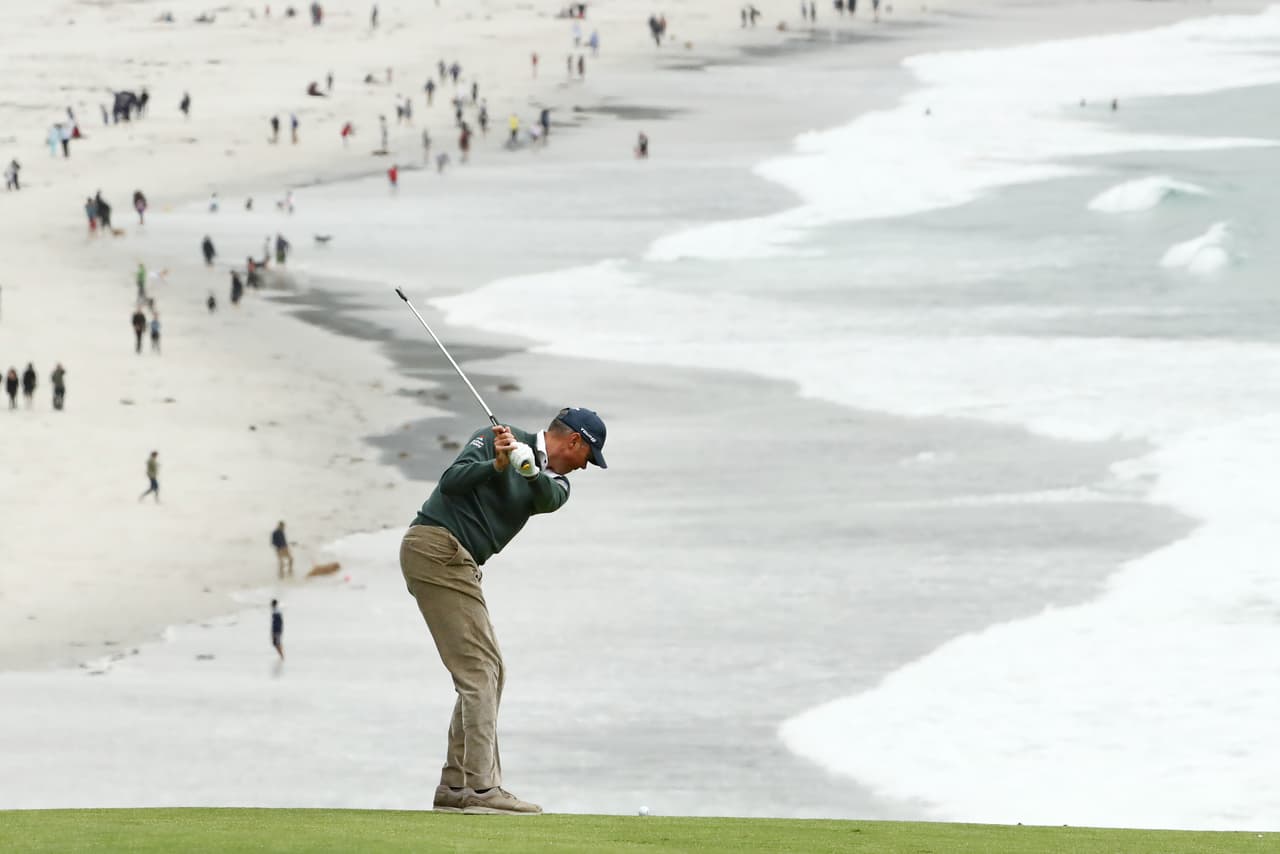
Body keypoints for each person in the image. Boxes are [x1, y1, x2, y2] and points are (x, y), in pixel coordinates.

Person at [400, 407, 608, 815]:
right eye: (589, 455)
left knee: (491, 671)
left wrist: (526, 469)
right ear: (574, 441)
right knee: (479, 672)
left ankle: (457, 785)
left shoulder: (556, 483)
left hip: (459, 561)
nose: (586, 466)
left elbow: (546, 496)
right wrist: (495, 465)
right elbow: (452, 482)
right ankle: (481, 789)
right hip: (436, 546)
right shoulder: (496, 438)